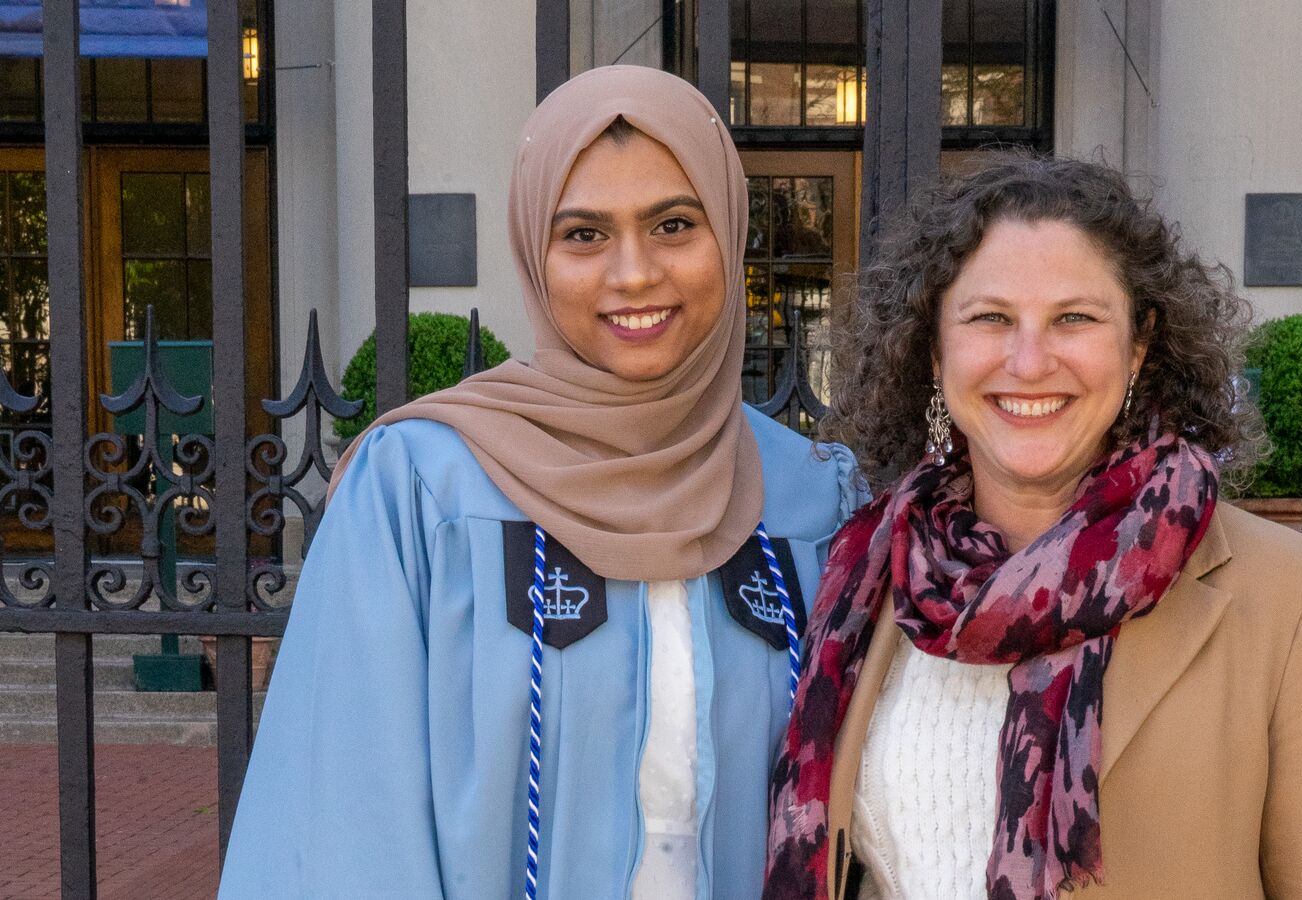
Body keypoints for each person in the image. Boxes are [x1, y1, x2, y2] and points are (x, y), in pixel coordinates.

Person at [219, 66, 865, 899]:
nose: (633, 273)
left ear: (729, 235)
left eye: (674, 223)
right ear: (534, 250)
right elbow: (344, 824)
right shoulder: (422, 490)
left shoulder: (815, 498)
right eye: (584, 235)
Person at [764, 154, 1302, 900]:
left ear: (1137, 346)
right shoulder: (873, 576)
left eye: (1074, 318)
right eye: (990, 318)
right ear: (934, 351)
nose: (1030, 359)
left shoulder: (1293, 597)